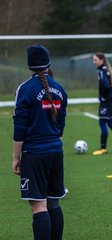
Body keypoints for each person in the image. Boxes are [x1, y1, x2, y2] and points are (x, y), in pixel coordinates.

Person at [12, 44, 68, 240]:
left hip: (34, 153)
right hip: (55, 151)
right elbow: (61, 125)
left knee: (38, 205)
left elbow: (19, 127)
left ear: (29, 66)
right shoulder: (60, 89)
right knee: (53, 203)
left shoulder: (25, 89)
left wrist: (15, 158)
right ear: (48, 62)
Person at [92, 52, 112, 155]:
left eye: (95, 60)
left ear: (101, 60)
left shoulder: (102, 71)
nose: (94, 62)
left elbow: (106, 85)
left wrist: (104, 96)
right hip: (111, 100)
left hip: (106, 101)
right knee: (110, 123)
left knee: (102, 123)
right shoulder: (108, 69)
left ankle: (103, 149)